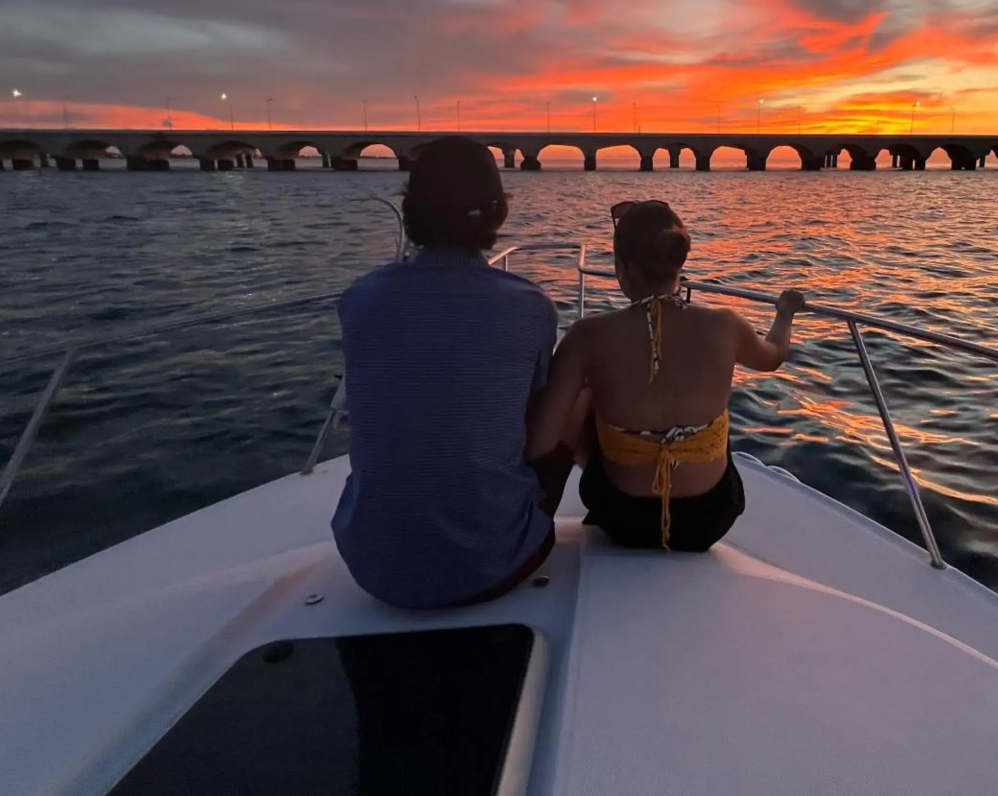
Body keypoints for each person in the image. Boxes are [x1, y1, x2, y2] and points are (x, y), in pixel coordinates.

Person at [331, 136, 570, 608]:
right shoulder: (529, 307)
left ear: (410, 213)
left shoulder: (359, 299)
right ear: (499, 214)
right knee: (570, 396)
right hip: (493, 567)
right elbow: (534, 413)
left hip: (371, 567)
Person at [528, 199, 803, 551]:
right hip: (709, 519)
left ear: (622, 268)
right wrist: (785, 313)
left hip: (620, 519)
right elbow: (774, 355)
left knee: (581, 398)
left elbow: (540, 443)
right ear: (678, 262)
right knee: (707, 418)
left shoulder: (586, 336)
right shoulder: (725, 325)